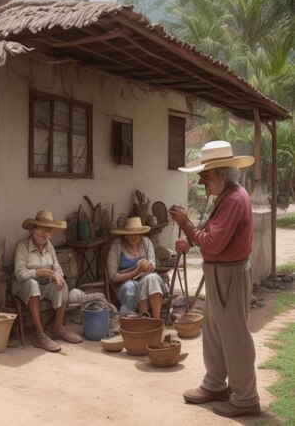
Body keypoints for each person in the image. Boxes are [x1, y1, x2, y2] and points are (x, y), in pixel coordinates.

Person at [169, 140, 260, 418]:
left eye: (205, 176)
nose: (201, 183)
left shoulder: (233, 199)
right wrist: (192, 240)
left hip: (229, 273)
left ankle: (245, 398)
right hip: (223, 272)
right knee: (216, 333)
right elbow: (212, 236)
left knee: (234, 336)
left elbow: (215, 242)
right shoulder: (228, 195)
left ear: (222, 174)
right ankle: (216, 384)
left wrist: (186, 225)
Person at [12, 210, 82, 352]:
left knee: (62, 284)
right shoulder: (22, 246)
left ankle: (58, 327)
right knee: (32, 285)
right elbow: (19, 274)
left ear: (51, 233)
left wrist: (55, 275)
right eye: (40, 229)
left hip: (44, 285)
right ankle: (39, 334)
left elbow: (57, 268)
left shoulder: (49, 246)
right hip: (23, 286)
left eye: (47, 230)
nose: (43, 234)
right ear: (32, 230)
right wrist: (38, 272)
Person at [106, 217, 163, 318]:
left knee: (152, 278)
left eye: (137, 233)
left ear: (141, 233)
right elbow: (113, 276)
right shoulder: (117, 245)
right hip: (124, 283)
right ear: (125, 235)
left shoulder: (146, 242)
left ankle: (156, 320)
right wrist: (136, 271)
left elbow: (153, 264)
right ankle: (137, 320)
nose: (134, 236)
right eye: (130, 234)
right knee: (130, 288)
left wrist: (148, 266)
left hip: (144, 279)